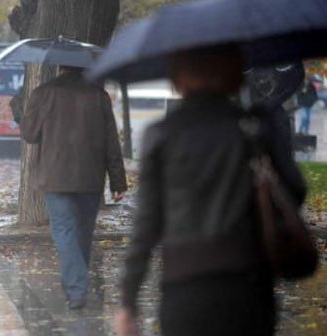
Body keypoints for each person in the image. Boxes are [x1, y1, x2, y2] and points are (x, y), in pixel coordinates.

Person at [114, 46, 307, 336]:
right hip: (248, 283)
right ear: (235, 73)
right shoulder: (255, 126)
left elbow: (147, 224)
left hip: (185, 286)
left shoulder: (163, 134)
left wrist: (128, 300)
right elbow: (295, 191)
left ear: (179, 76)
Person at [20, 66, 127, 310]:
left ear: (60, 67)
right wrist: (118, 181)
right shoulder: (98, 95)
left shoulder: (44, 93)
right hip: (91, 176)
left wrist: (20, 109)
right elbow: (112, 141)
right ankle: (76, 285)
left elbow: (29, 134)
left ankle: (77, 289)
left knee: (64, 231)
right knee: (82, 233)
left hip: (55, 176)